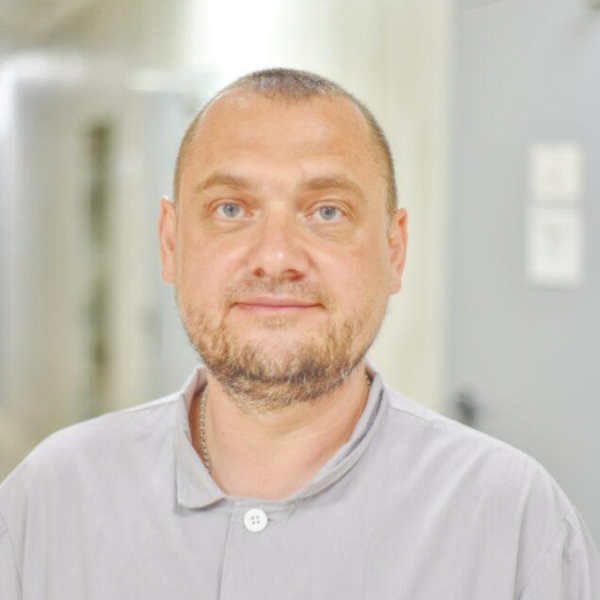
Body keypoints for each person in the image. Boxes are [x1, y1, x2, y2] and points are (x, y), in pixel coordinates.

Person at [0, 68, 598, 600]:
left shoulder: (516, 524)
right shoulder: (47, 502)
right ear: (171, 243)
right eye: (231, 209)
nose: (277, 258)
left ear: (394, 251)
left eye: (327, 211)